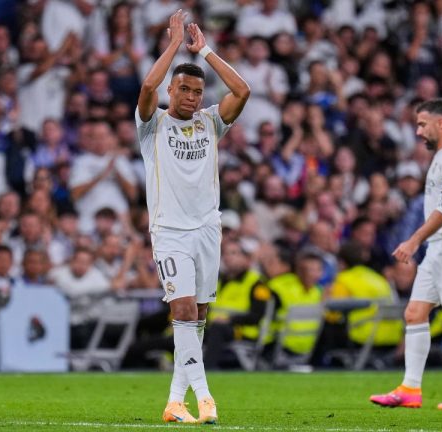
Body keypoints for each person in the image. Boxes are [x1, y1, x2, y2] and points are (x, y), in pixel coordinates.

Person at [135, 10, 250, 424]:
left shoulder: (211, 123)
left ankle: (173, 401)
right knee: (181, 310)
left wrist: (205, 51)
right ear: (172, 90)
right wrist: (173, 45)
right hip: (169, 233)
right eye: (183, 89)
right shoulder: (153, 126)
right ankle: (205, 398)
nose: (191, 97)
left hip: (207, 230)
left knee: (198, 317)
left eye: (197, 91)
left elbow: (243, 89)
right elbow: (148, 84)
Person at [370, 98, 442, 410]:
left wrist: (413, 241)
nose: (418, 130)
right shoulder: (441, 157)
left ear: (441, 123)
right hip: (439, 247)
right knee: (414, 313)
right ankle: (410, 389)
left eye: (422, 124)